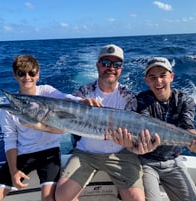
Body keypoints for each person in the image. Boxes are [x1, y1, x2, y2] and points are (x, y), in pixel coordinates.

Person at [54, 44, 160, 201]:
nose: (111, 68)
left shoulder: (128, 97)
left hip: (120, 154)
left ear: (121, 69)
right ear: (97, 65)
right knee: (62, 196)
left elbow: (133, 138)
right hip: (86, 153)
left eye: (116, 64)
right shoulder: (83, 93)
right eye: (106, 63)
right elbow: (66, 123)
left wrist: (134, 144)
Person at [0, 55, 87, 201]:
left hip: (49, 152)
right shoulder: (9, 109)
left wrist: (82, 100)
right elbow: (10, 141)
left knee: (49, 199)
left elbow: (65, 98)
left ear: (38, 74)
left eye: (31, 73)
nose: (27, 77)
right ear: (15, 75)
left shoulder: (46, 91)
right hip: (23, 155)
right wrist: (14, 172)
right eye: (21, 73)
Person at [112, 57, 196, 201]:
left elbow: (187, 127)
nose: (158, 81)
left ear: (171, 77)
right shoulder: (142, 100)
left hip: (174, 161)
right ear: (147, 80)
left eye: (162, 76)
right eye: (152, 77)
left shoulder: (184, 100)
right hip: (146, 161)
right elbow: (146, 130)